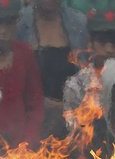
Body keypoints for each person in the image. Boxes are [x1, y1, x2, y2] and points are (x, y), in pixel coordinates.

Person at [0, 0, 45, 147]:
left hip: (21, 146)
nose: (4, 30)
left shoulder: (24, 54)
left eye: (10, 22)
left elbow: (35, 103)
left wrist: (28, 141)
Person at [17, 0, 88, 137]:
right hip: (33, 116)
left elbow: (85, 70)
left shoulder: (78, 22)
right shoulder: (19, 23)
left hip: (73, 115)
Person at [62, 4, 115, 119]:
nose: (109, 49)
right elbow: (75, 129)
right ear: (90, 43)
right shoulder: (77, 85)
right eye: (102, 41)